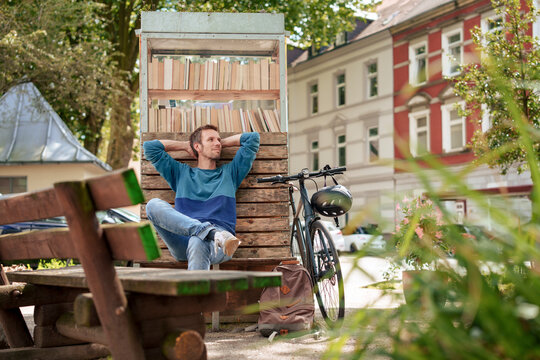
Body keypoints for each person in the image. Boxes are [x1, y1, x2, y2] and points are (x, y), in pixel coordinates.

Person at [143, 125, 260, 270]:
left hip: (220, 244)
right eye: (210, 139)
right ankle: (208, 232)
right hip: (183, 239)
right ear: (197, 147)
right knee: (153, 205)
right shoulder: (180, 173)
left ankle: (207, 235)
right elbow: (150, 147)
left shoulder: (230, 173)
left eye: (218, 140)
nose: (217, 143)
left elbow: (252, 139)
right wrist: (186, 145)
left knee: (198, 241)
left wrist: (220, 143)